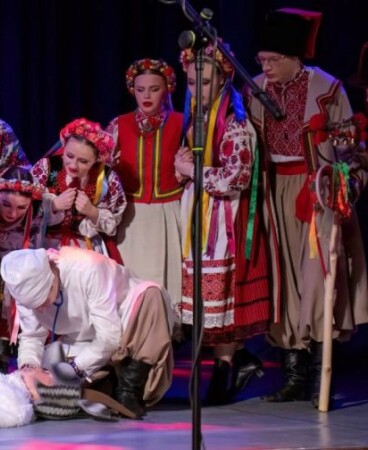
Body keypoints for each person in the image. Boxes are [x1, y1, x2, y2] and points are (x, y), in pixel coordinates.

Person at [244, 9, 368, 406]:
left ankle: (319, 372)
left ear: (293, 57)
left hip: (316, 191)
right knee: (282, 280)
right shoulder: (255, 90)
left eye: (272, 60)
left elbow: (351, 151)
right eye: (261, 60)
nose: (265, 67)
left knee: (317, 278)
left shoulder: (327, 89)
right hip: (273, 192)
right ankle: (293, 375)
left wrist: (341, 185)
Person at [176, 40, 273, 405]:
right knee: (209, 300)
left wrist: (191, 170)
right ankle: (235, 361)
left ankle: (226, 366)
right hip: (200, 216)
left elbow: (236, 177)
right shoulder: (197, 119)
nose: (197, 89)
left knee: (223, 299)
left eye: (204, 81)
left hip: (224, 218)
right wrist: (182, 168)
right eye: (191, 82)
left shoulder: (234, 123)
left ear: (222, 78)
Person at [0, 247, 175, 419]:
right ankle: (107, 383)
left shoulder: (88, 268)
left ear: (52, 276)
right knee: (48, 391)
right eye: (34, 306)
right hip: (82, 342)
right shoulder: (22, 290)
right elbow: (32, 336)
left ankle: (129, 389)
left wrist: (75, 368)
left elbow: (109, 337)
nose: (40, 309)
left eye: (43, 300)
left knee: (152, 294)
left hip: (126, 328)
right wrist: (29, 367)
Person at [107, 58, 184, 308]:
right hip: (132, 215)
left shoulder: (182, 123)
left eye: (154, 89)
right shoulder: (119, 124)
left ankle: (166, 323)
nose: (146, 96)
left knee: (166, 277)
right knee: (133, 278)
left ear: (167, 89)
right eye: (140, 89)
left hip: (168, 212)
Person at [0, 166, 58, 371]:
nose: (12, 213)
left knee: (9, 305)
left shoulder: (37, 213)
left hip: (14, 273)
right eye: (6, 205)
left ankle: (4, 348)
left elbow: (53, 209)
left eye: (21, 208)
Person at [31, 118, 126, 261]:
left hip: (86, 249)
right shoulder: (46, 167)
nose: (73, 165)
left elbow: (113, 220)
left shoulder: (106, 179)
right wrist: (53, 205)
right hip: (44, 244)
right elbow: (25, 209)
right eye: (69, 156)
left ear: (97, 159)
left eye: (83, 161)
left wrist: (92, 212)